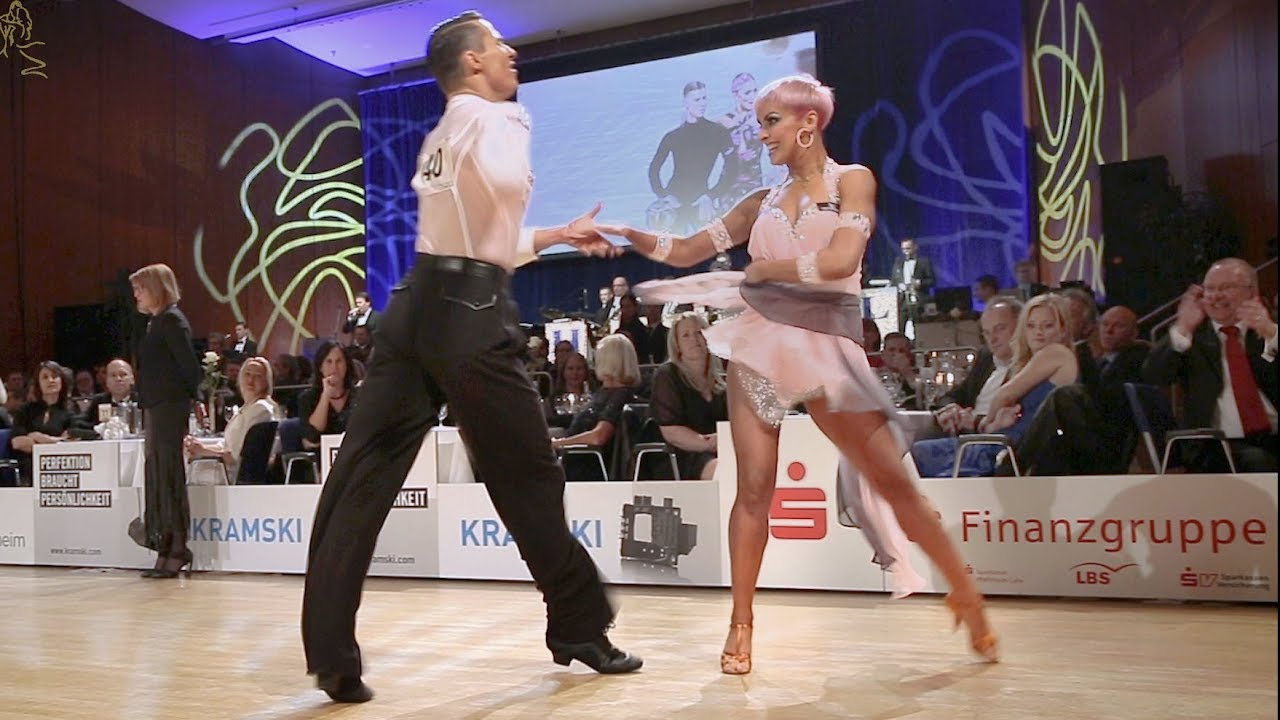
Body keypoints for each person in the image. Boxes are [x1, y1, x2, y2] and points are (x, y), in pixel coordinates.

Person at [599, 74, 997, 674]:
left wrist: (765, 273)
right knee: (754, 488)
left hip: (827, 346)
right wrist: (635, 236)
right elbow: (684, 250)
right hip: (760, 344)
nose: (761, 135)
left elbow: (842, 260)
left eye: (771, 122)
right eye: (760, 123)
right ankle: (741, 623)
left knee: (892, 483)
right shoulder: (757, 204)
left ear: (808, 123)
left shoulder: (851, 181)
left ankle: (965, 591)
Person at [300, 11, 641, 704]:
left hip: (413, 304)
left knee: (359, 479)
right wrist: (515, 127)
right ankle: (578, 624)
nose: (510, 52)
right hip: (470, 314)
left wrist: (551, 235)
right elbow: (498, 220)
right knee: (528, 475)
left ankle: (331, 654)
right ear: (473, 65)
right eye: (497, 46)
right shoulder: (497, 120)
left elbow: (484, 236)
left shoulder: (440, 134)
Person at [911, 294, 1078, 477]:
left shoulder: (1055, 353)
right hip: (1004, 443)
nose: (1038, 332)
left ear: (1062, 330)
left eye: (1047, 326)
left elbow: (1004, 395)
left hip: (1010, 450)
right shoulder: (1032, 361)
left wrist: (983, 422)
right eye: (1031, 326)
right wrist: (992, 424)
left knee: (916, 454)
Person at [1142, 257, 1277, 471]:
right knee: (1257, 460)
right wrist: (1183, 327)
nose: (1215, 296)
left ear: (1251, 293)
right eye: (1209, 289)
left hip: (1272, 435)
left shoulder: (1268, 329)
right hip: (1216, 444)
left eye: (1225, 288)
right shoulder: (1193, 337)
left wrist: (1271, 332)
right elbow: (1154, 375)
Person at [130, 263, 201, 579]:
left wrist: (193, 401)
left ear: (156, 289)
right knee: (157, 476)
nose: (136, 295)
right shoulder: (157, 322)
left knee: (168, 475)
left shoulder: (172, 320)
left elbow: (189, 367)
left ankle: (177, 547)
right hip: (156, 407)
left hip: (169, 408)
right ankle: (165, 545)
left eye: (140, 289)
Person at [648, 312, 728, 480]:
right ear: (677, 345)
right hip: (681, 455)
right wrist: (710, 443)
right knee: (726, 471)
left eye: (699, 332)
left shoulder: (723, 377)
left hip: (724, 449)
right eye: (686, 335)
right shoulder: (667, 375)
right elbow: (670, 431)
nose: (694, 339)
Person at [549, 334, 640, 481]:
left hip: (585, 466)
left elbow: (598, 436)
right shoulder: (607, 392)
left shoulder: (618, 396)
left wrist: (558, 443)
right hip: (576, 458)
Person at [647, 81, 734, 233]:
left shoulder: (718, 133)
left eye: (704, 98)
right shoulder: (673, 136)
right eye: (696, 100)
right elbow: (653, 170)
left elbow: (732, 169)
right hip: (674, 204)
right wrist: (664, 196)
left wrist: (711, 195)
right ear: (685, 102)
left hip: (701, 202)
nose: (702, 104)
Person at [184, 357, 279, 484]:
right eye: (247, 374)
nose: (251, 380)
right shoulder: (247, 407)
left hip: (232, 473)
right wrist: (200, 446)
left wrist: (203, 450)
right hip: (228, 467)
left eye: (257, 376)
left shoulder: (260, 409)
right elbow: (228, 445)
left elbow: (236, 456)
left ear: (266, 382)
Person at [9, 362, 80, 485]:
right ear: (38, 383)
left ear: (61, 380)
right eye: (45, 377)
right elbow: (17, 443)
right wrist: (55, 442)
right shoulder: (25, 410)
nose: (50, 380)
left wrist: (38, 437)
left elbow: (70, 443)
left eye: (54, 376)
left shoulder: (72, 410)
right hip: (30, 467)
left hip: (62, 468)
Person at [297, 340, 360, 450]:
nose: (334, 368)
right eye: (329, 362)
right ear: (320, 367)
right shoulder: (307, 398)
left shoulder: (359, 396)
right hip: (322, 460)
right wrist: (326, 395)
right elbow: (312, 436)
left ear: (347, 365)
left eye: (339, 361)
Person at [890, 237, 935, 332]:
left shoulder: (924, 262)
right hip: (903, 301)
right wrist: (899, 286)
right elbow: (894, 280)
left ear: (915, 247)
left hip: (919, 300)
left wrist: (920, 283)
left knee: (920, 328)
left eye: (908, 248)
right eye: (903, 249)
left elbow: (932, 280)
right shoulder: (898, 262)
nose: (905, 252)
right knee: (900, 328)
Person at [79, 358, 138, 426]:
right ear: (106, 381)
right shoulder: (99, 401)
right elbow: (80, 422)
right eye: (113, 375)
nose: (118, 379)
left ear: (132, 379)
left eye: (123, 375)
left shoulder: (142, 402)